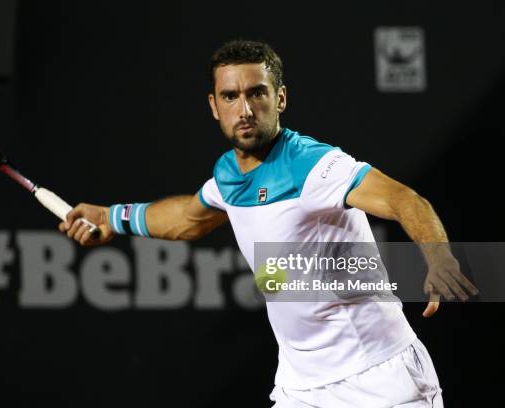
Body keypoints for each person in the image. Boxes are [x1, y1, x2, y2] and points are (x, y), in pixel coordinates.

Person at [59, 40, 477, 407]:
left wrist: (438, 258)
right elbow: (187, 219)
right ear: (213, 105)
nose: (244, 109)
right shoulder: (228, 175)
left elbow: (404, 199)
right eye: (230, 96)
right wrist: (112, 217)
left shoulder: (313, 165)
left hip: (381, 380)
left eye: (257, 94)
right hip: (300, 388)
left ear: (279, 99)